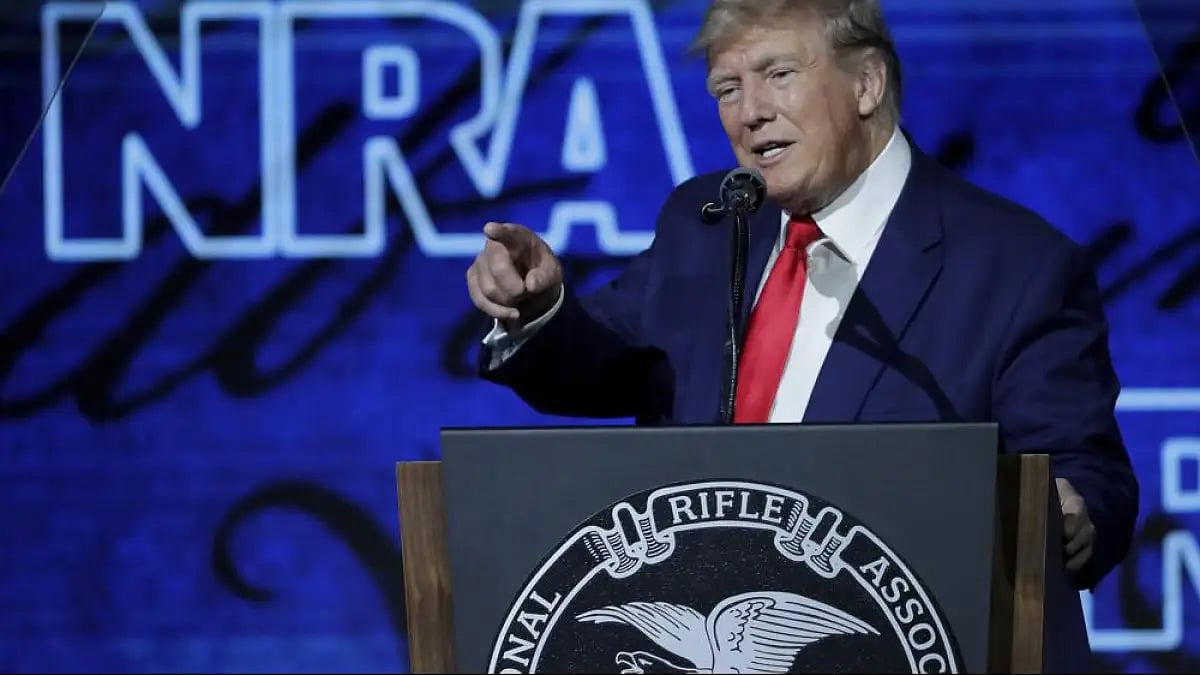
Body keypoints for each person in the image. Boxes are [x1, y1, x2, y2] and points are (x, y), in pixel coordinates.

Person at [466, 0, 1138, 597]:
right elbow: (603, 361)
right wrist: (537, 310)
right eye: (727, 88)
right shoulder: (704, 225)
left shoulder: (1016, 267)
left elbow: (1086, 472)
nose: (750, 112)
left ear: (867, 83)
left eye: (778, 74)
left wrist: (1071, 516)